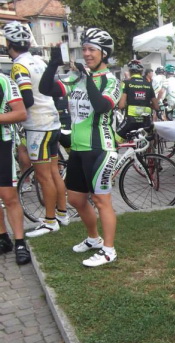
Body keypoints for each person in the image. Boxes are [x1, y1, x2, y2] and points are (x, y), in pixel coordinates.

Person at [39, 27, 121, 267]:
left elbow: (101, 106)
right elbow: (46, 89)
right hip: (78, 148)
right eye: (84, 49)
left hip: (100, 148)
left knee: (101, 200)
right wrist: (53, 64)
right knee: (75, 198)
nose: (86, 54)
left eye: (92, 49)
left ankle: (109, 250)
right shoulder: (77, 78)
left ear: (104, 53)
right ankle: (94, 239)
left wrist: (88, 77)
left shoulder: (111, 80)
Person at [4, 21, 68, 238]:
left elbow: (28, 100)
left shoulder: (18, 66)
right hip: (52, 122)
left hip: (37, 126)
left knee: (43, 176)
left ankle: (50, 221)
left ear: (8, 44)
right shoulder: (39, 60)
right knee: (53, 172)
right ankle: (61, 214)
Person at [0, 72, 31, 265]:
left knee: (8, 196)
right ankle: (3, 238)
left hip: (2, 143)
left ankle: (20, 242)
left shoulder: (3, 80)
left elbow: (20, 113)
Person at [115, 59, 159, 143]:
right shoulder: (148, 84)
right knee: (148, 140)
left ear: (130, 71)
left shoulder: (126, 83)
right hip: (146, 121)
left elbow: (121, 105)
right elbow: (156, 106)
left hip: (130, 121)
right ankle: (148, 150)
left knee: (115, 140)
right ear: (141, 72)